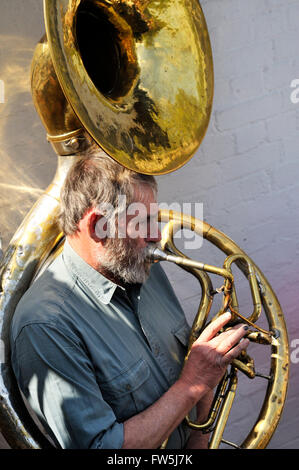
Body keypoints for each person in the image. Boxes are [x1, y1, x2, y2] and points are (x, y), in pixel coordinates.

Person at [10, 146, 249, 449]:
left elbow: (190, 406)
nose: (156, 235)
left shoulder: (140, 267)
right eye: (143, 221)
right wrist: (193, 383)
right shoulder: (45, 325)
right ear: (98, 226)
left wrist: (206, 378)